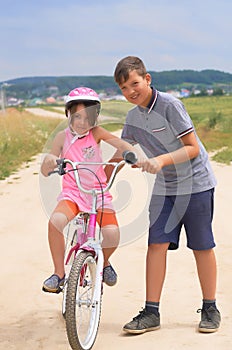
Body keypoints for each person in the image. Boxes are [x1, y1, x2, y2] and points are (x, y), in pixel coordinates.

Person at [111, 56, 221, 333]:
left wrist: (160, 161)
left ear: (147, 79)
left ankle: (210, 307)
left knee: (201, 246)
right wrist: (103, 172)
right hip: (165, 189)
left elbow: (192, 148)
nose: (130, 91)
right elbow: (124, 149)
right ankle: (151, 312)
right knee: (156, 245)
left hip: (196, 184)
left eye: (134, 83)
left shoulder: (171, 105)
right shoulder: (133, 116)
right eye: (124, 88)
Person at [41, 86, 137, 293]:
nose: (82, 123)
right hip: (73, 194)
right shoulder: (62, 137)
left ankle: (104, 262)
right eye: (77, 117)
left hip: (98, 194)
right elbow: (46, 165)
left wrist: (129, 154)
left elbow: (121, 144)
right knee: (56, 222)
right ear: (68, 115)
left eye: (88, 118)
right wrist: (50, 161)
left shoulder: (97, 133)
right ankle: (58, 274)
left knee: (112, 234)